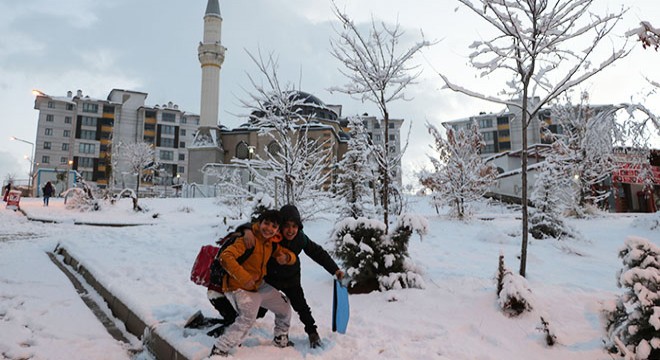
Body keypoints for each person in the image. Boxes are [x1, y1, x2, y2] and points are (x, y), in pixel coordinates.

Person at [242, 205, 344, 348]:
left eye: (294, 226)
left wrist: (335, 270)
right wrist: (247, 231)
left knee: (301, 306)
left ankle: (312, 332)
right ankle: (233, 325)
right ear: (280, 226)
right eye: (287, 226)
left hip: (291, 279)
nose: (291, 230)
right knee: (259, 309)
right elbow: (255, 227)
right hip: (271, 279)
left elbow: (318, 253)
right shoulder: (272, 235)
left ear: (299, 227)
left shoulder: (301, 239)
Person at [210, 209, 297, 357]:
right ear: (260, 222)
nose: (269, 229)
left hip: (257, 285)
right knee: (248, 318)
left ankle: (280, 337)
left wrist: (287, 258)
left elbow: (290, 254)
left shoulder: (270, 243)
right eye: (266, 223)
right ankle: (220, 348)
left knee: (284, 305)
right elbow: (226, 257)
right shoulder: (247, 239)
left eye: (274, 226)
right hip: (238, 286)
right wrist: (244, 278)